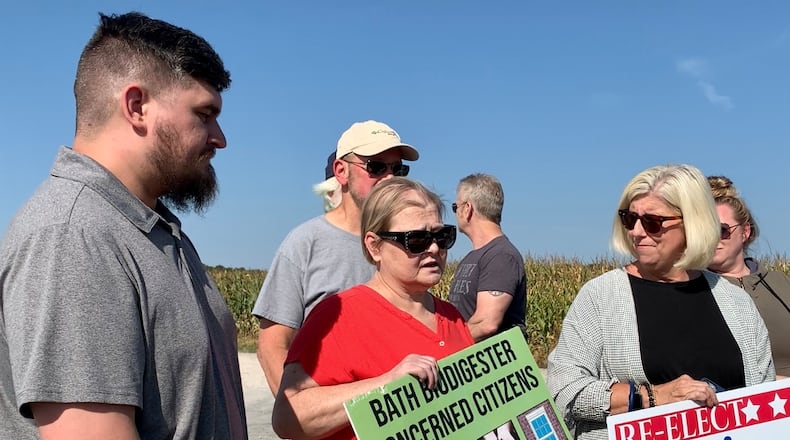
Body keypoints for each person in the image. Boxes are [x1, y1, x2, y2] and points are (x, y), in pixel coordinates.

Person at [0, 12, 246, 440]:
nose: (219, 137)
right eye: (204, 114)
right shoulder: (74, 236)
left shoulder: (155, 230)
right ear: (137, 107)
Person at [547, 164, 774, 440]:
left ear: (693, 223)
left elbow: (764, 394)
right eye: (630, 219)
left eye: (653, 222)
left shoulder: (737, 303)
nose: (637, 232)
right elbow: (564, 391)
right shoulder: (600, 297)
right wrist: (653, 397)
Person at [272, 177, 473, 440]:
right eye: (417, 240)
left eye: (442, 236)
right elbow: (288, 418)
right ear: (374, 246)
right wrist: (386, 384)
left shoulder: (452, 318)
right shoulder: (339, 315)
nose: (434, 248)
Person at [253, 120, 419, 395]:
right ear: (341, 171)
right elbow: (272, 345)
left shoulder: (412, 244)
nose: (390, 178)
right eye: (376, 167)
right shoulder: (305, 244)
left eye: (398, 169)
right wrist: (299, 415)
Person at [707, 175, 790, 379]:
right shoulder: (695, 290)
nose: (712, 238)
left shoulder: (781, 283)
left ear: (745, 232)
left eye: (722, 230)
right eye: (705, 231)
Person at [448, 173, 527, 341]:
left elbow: (486, 323)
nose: (455, 213)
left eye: (455, 207)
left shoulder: (501, 256)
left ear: (467, 209)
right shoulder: (477, 256)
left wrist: (447, 345)